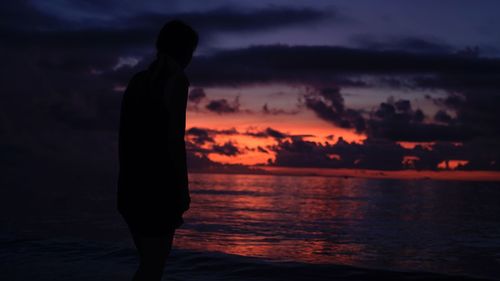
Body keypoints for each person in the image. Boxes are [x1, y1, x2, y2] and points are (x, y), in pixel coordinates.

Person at [117, 20, 198, 281]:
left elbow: (125, 138)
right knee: (154, 267)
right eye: (190, 52)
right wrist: (182, 191)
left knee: (148, 265)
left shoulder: (137, 81)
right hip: (157, 190)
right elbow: (175, 141)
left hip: (129, 188)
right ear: (184, 51)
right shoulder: (176, 80)